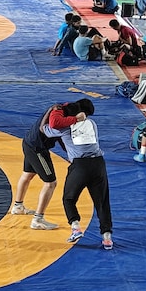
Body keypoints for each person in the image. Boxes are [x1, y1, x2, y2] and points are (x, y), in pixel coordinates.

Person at [40, 99, 113, 249]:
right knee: (102, 202)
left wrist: (51, 111)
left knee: (69, 198)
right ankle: (107, 238)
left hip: (80, 166)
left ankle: (75, 227)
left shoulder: (64, 128)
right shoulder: (92, 124)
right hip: (98, 164)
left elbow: (43, 128)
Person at [10, 102, 66, 230]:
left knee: (27, 175)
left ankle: (18, 207)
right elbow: (58, 135)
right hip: (37, 149)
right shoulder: (60, 118)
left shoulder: (57, 111)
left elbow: (60, 137)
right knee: (51, 183)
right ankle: (38, 220)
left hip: (29, 143)